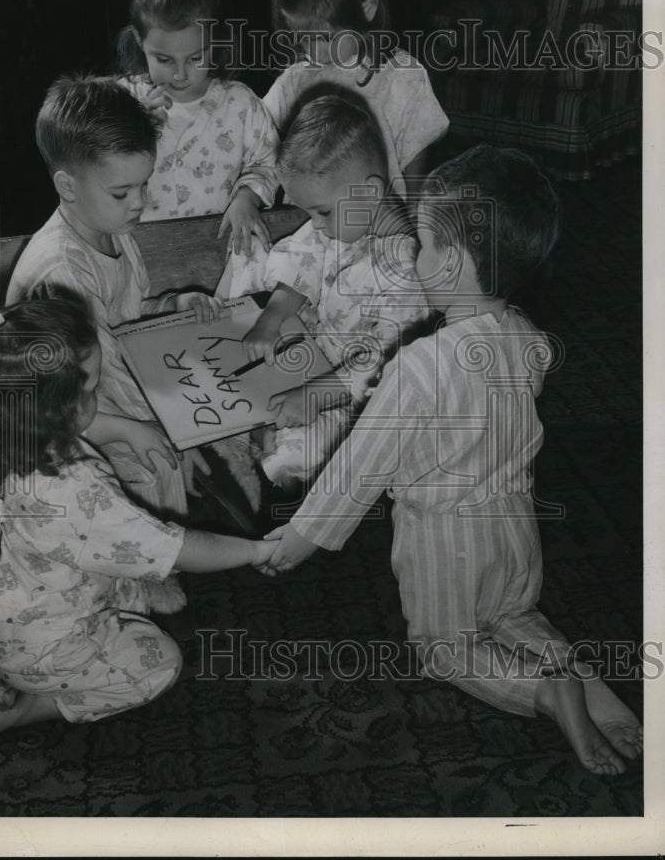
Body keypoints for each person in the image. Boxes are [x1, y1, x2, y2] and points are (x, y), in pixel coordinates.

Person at [262, 145, 644, 776]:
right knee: (516, 615)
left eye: (427, 245)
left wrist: (301, 540)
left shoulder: (420, 366)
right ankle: (603, 704)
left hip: (446, 539)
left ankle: (545, 694)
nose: (415, 255)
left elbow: (361, 468)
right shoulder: (526, 336)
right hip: (516, 525)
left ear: (458, 263)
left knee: (446, 648)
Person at [0, 299, 278, 738]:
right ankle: (40, 704)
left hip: (9, 624)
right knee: (159, 663)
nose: (96, 395)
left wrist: (127, 427)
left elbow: (78, 428)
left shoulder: (9, 436)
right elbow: (178, 549)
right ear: (55, 408)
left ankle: (23, 674)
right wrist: (257, 549)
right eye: (90, 390)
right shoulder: (77, 492)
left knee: (130, 587)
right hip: (47, 649)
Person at [6, 74, 222, 543]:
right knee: (147, 463)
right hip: (63, 422)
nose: (141, 202)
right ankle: (138, 571)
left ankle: (160, 551)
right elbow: (64, 396)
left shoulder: (112, 229)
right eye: (122, 192)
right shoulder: (61, 272)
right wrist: (164, 423)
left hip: (112, 392)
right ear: (67, 185)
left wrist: (171, 303)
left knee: (177, 440)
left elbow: (126, 312)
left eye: (144, 184)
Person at [216, 85, 429, 491]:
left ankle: (281, 464)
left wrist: (312, 396)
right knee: (249, 248)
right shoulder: (341, 222)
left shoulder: (405, 272)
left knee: (296, 462)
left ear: (369, 190)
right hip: (311, 348)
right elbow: (302, 260)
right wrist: (272, 317)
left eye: (321, 212)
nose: (315, 224)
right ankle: (260, 417)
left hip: (350, 398)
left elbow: (381, 365)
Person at [264, 0, 449, 197]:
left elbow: (415, 162)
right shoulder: (295, 79)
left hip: (381, 223)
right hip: (314, 224)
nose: (314, 52)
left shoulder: (402, 75)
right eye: (302, 38)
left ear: (367, 9)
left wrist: (414, 223)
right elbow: (257, 132)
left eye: (325, 38)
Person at [117, 0, 279, 255]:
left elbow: (266, 160)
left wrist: (247, 197)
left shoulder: (240, 104)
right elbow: (94, 165)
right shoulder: (123, 102)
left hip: (219, 257)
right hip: (140, 259)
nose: (180, 74)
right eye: (164, 60)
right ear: (140, 40)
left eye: (195, 58)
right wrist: (134, 128)